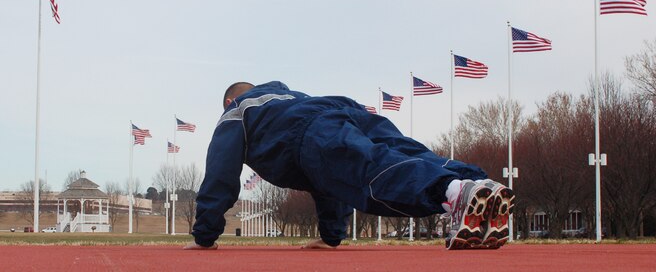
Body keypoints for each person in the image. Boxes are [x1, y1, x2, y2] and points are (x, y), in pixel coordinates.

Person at [184, 81, 514, 251]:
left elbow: (221, 175)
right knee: (403, 152)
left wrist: (205, 235)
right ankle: (477, 184)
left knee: (372, 172)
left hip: (309, 132)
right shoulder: (291, 96)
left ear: (229, 101)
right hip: (341, 109)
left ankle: (454, 192)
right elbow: (324, 180)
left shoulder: (237, 111)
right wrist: (330, 236)